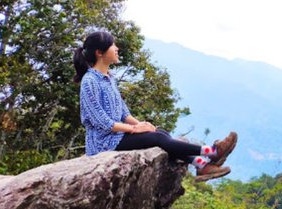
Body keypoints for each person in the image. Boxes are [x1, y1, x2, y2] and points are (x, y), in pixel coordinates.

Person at [74, 30, 236, 181]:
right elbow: (100, 121)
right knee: (158, 138)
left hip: (117, 137)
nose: (117, 48)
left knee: (160, 133)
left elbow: (124, 113)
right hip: (103, 143)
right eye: (113, 45)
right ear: (99, 52)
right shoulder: (90, 81)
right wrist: (134, 129)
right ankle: (212, 152)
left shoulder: (109, 77)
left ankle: (202, 165)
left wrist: (141, 125)